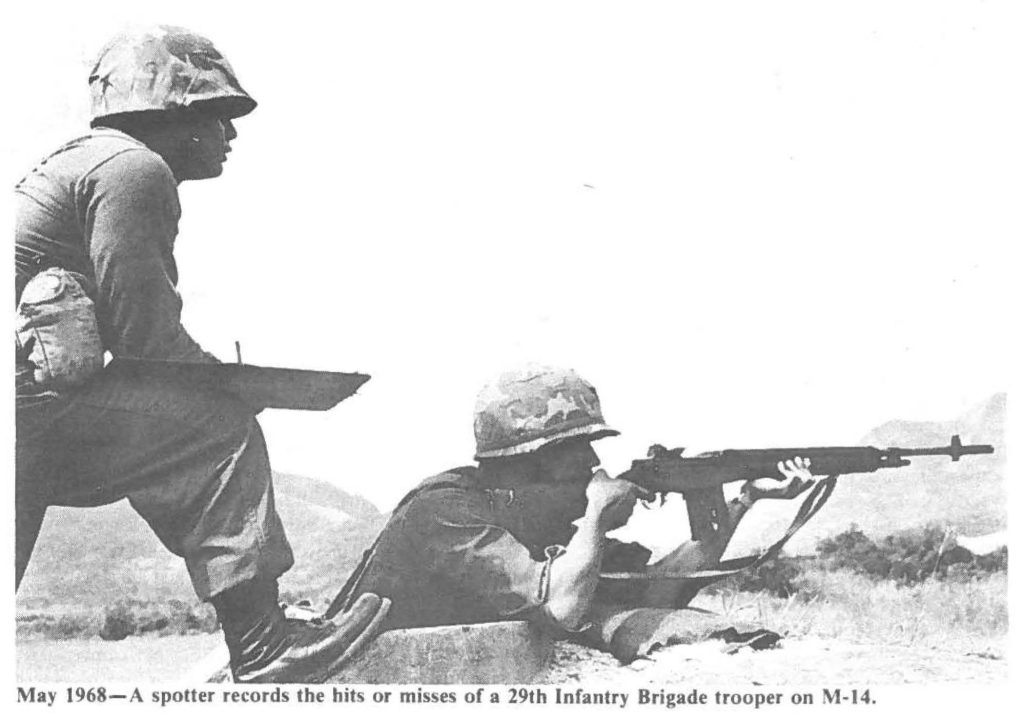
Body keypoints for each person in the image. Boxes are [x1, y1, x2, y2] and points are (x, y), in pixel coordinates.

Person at [14, 25, 386, 683]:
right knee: (215, 427)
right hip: (25, 418)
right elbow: (146, 342)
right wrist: (236, 384)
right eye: (218, 115)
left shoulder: (82, 162)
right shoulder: (133, 168)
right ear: (175, 114)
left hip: (25, 424)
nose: (231, 136)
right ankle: (264, 647)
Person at [327, 365, 815, 648]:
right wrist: (599, 516)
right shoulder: (445, 509)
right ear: (524, 459)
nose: (593, 461)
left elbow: (657, 593)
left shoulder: (543, 519)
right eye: (573, 449)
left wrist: (746, 500)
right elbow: (562, 610)